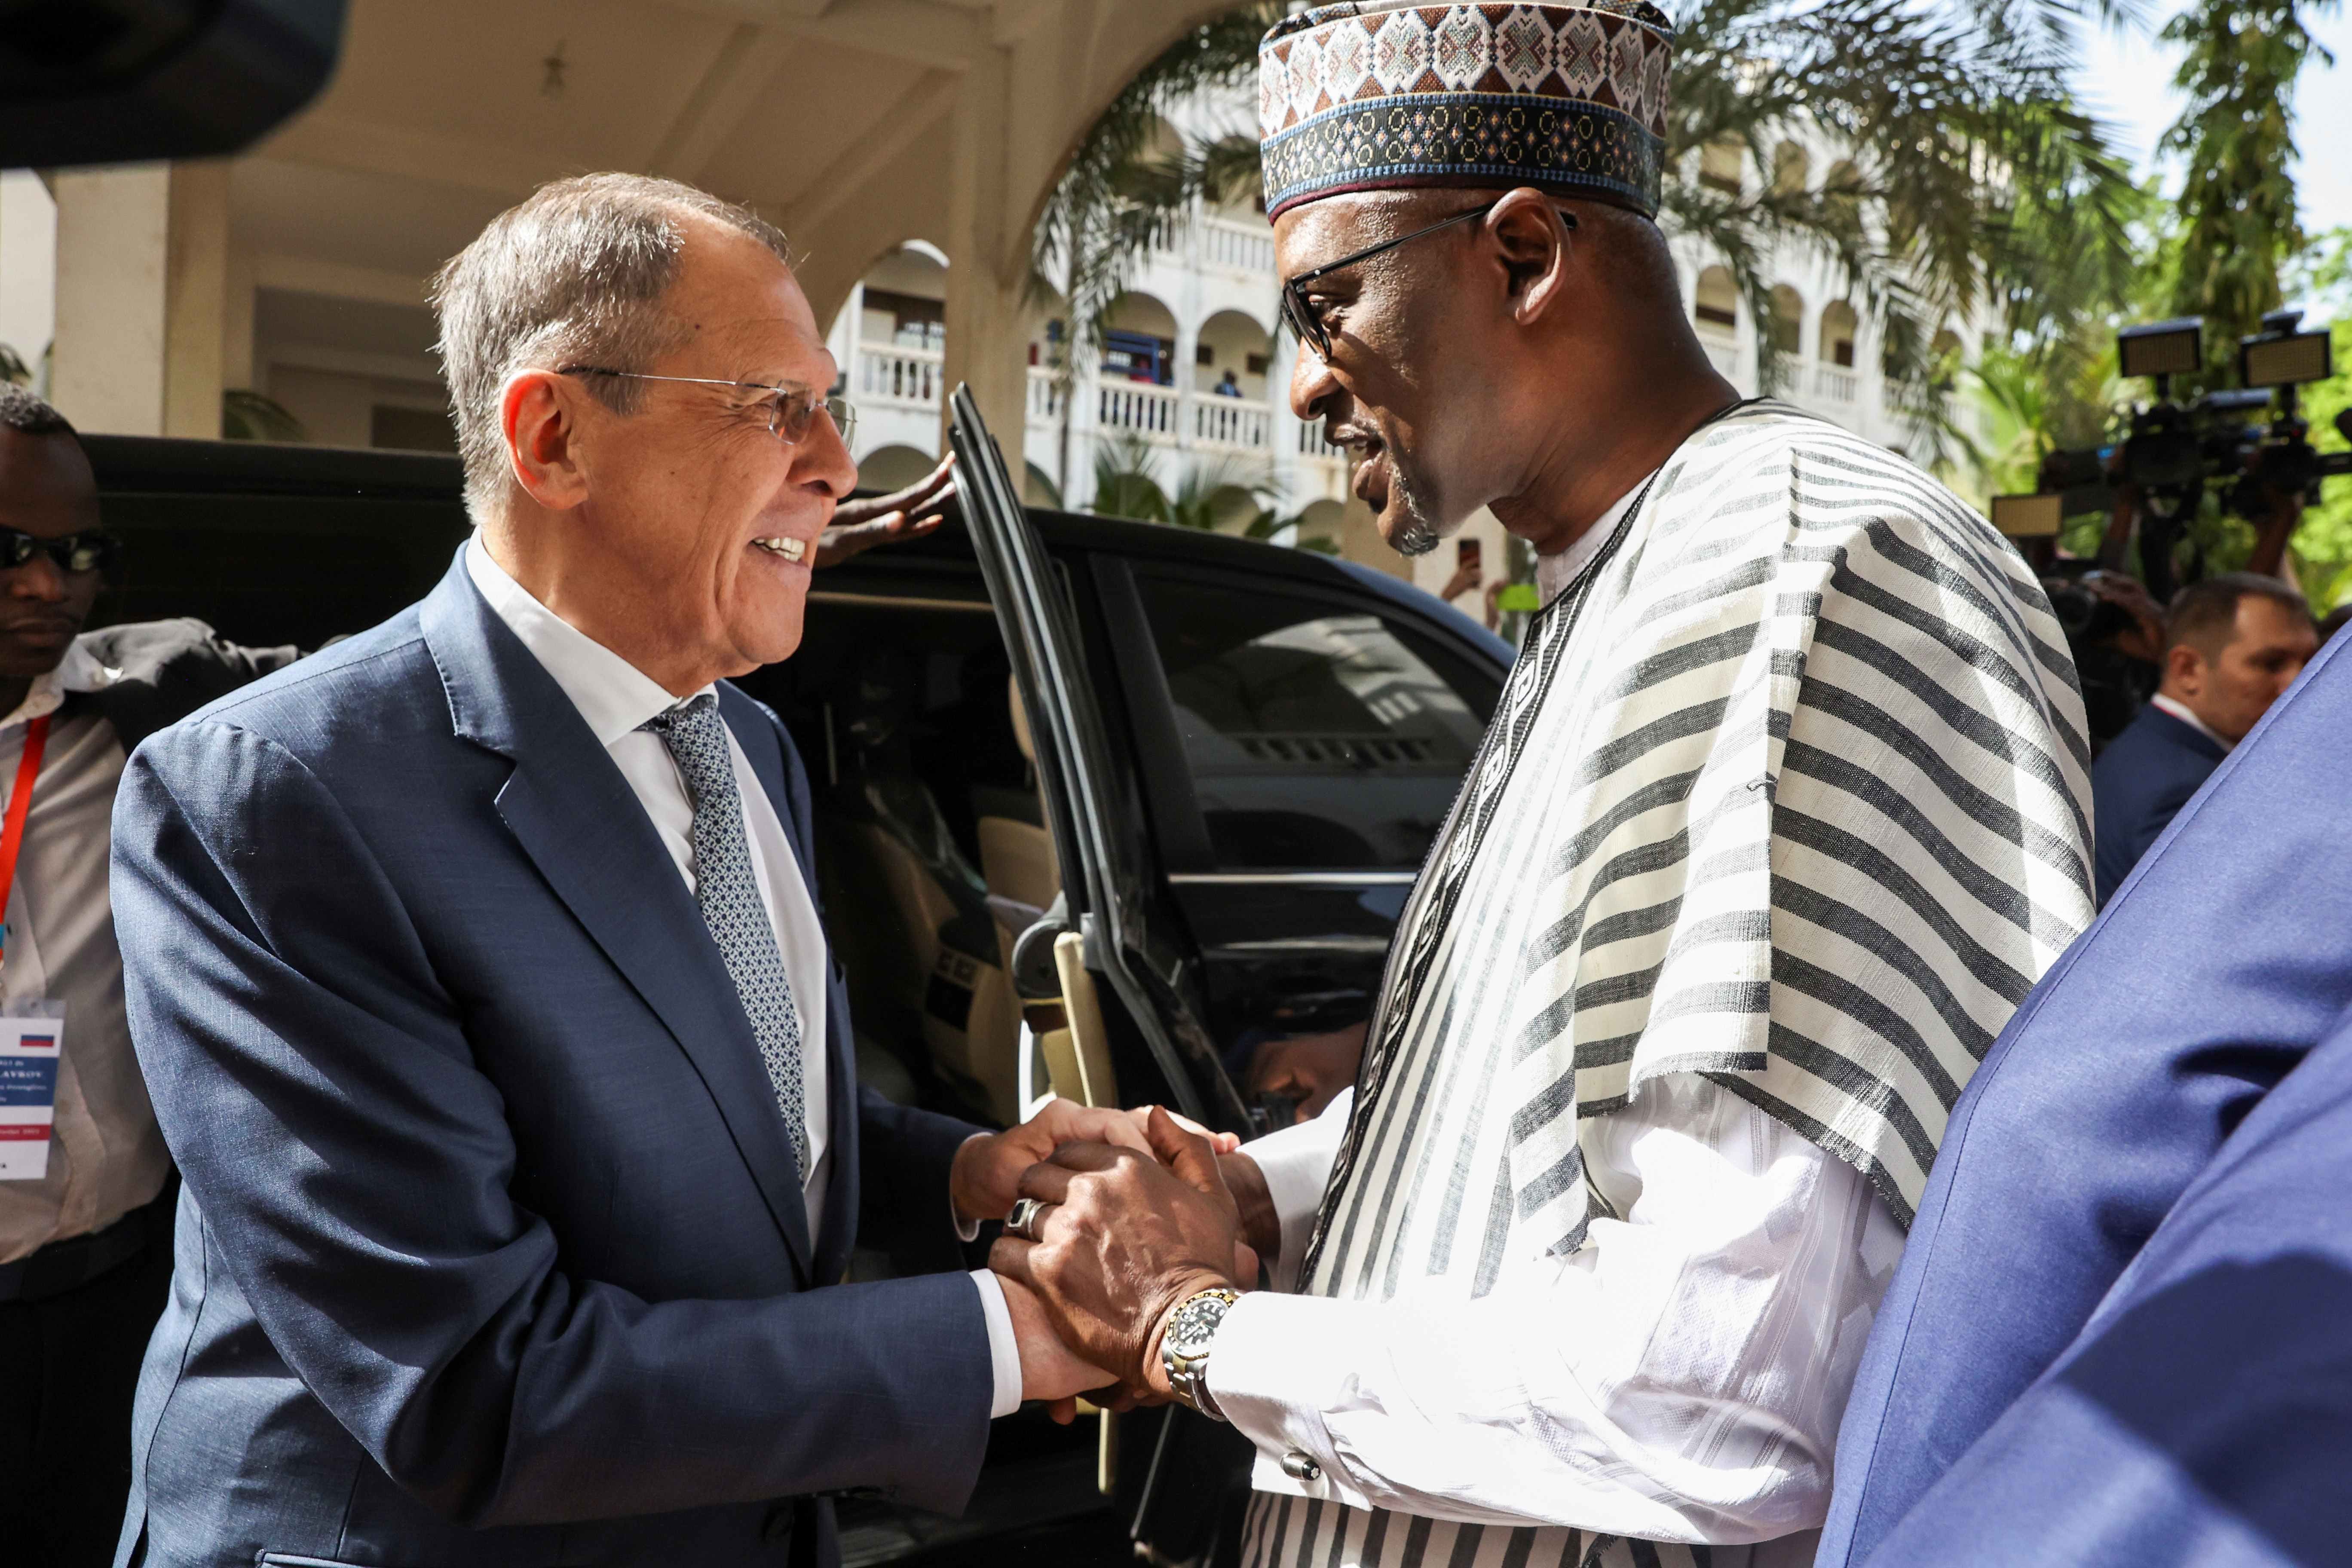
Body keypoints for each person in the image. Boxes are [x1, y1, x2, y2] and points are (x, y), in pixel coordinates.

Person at [988, 6, 2095, 1567]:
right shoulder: (1626, 577)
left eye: (1326, 304)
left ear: (1521, 255)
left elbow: (1717, 1384)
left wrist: (1187, 1325)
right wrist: (1265, 1190)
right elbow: (1562, 1114)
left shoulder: (1798, 571)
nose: (1304, 386)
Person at [105, 173, 1180, 1568]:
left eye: (830, 402)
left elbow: (697, 1095)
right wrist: (1030, 1330)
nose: (840, 461)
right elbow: (475, 1382)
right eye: (773, 405)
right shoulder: (274, 797)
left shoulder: (746, 743)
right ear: (552, 434)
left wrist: (962, 1170)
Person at [1814, 619, 2352, 1568]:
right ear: (2186, 663)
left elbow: (2075, 1119)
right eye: (2269, 658)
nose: (2290, 678)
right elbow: (2078, 1123)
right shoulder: (2169, 775)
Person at [0, 388, 307, 1568]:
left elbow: (402, 678)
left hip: (115, 1311)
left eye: (80, 553)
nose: (48, 587)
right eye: (10, 552)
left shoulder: (164, 701)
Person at [2090, 573, 2314, 906]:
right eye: (2271, 663)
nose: (2300, 684)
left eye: (2312, 665)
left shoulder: (2152, 751)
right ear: (2188, 669)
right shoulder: (2185, 792)